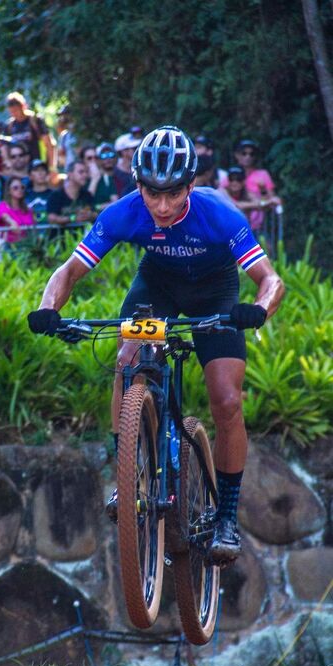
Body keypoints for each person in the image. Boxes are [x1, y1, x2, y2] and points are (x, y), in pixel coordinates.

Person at [27, 125, 285, 563]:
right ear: (138, 186)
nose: (162, 206)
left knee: (226, 401)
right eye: (152, 193)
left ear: (191, 185)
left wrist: (258, 310)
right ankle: (127, 477)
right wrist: (48, 308)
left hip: (216, 291)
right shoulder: (123, 212)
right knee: (126, 358)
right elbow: (70, 270)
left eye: (173, 194)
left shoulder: (219, 214)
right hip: (157, 288)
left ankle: (225, 516)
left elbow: (270, 280)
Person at [3, 91, 54, 165]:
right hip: (20, 167)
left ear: (23, 106)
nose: (14, 114)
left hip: (37, 164)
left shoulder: (35, 121)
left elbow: (49, 144)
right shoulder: (9, 126)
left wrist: (51, 167)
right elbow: (5, 148)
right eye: (12, 112)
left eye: (16, 110)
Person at [46, 160, 97, 228]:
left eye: (86, 172)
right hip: (61, 237)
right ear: (70, 174)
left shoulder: (87, 195)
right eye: (81, 172)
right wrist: (73, 218)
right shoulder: (56, 195)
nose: (85, 175)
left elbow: (96, 213)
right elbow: (51, 218)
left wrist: (90, 215)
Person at [0, 176, 35, 246]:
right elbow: (4, 216)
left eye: (22, 187)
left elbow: (33, 227)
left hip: (25, 246)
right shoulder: (3, 205)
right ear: (9, 191)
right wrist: (12, 222)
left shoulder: (28, 209)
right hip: (7, 246)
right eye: (15, 188)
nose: (20, 190)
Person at [89, 143, 118, 210]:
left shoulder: (121, 176)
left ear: (115, 157)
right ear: (98, 159)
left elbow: (115, 202)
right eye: (103, 156)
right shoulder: (92, 178)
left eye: (110, 154)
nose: (108, 158)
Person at [26, 159, 53, 223]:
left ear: (47, 173)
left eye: (43, 170)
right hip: (30, 232)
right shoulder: (24, 195)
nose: (40, 173)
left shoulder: (55, 195)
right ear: (30, 176)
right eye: (36, 170)